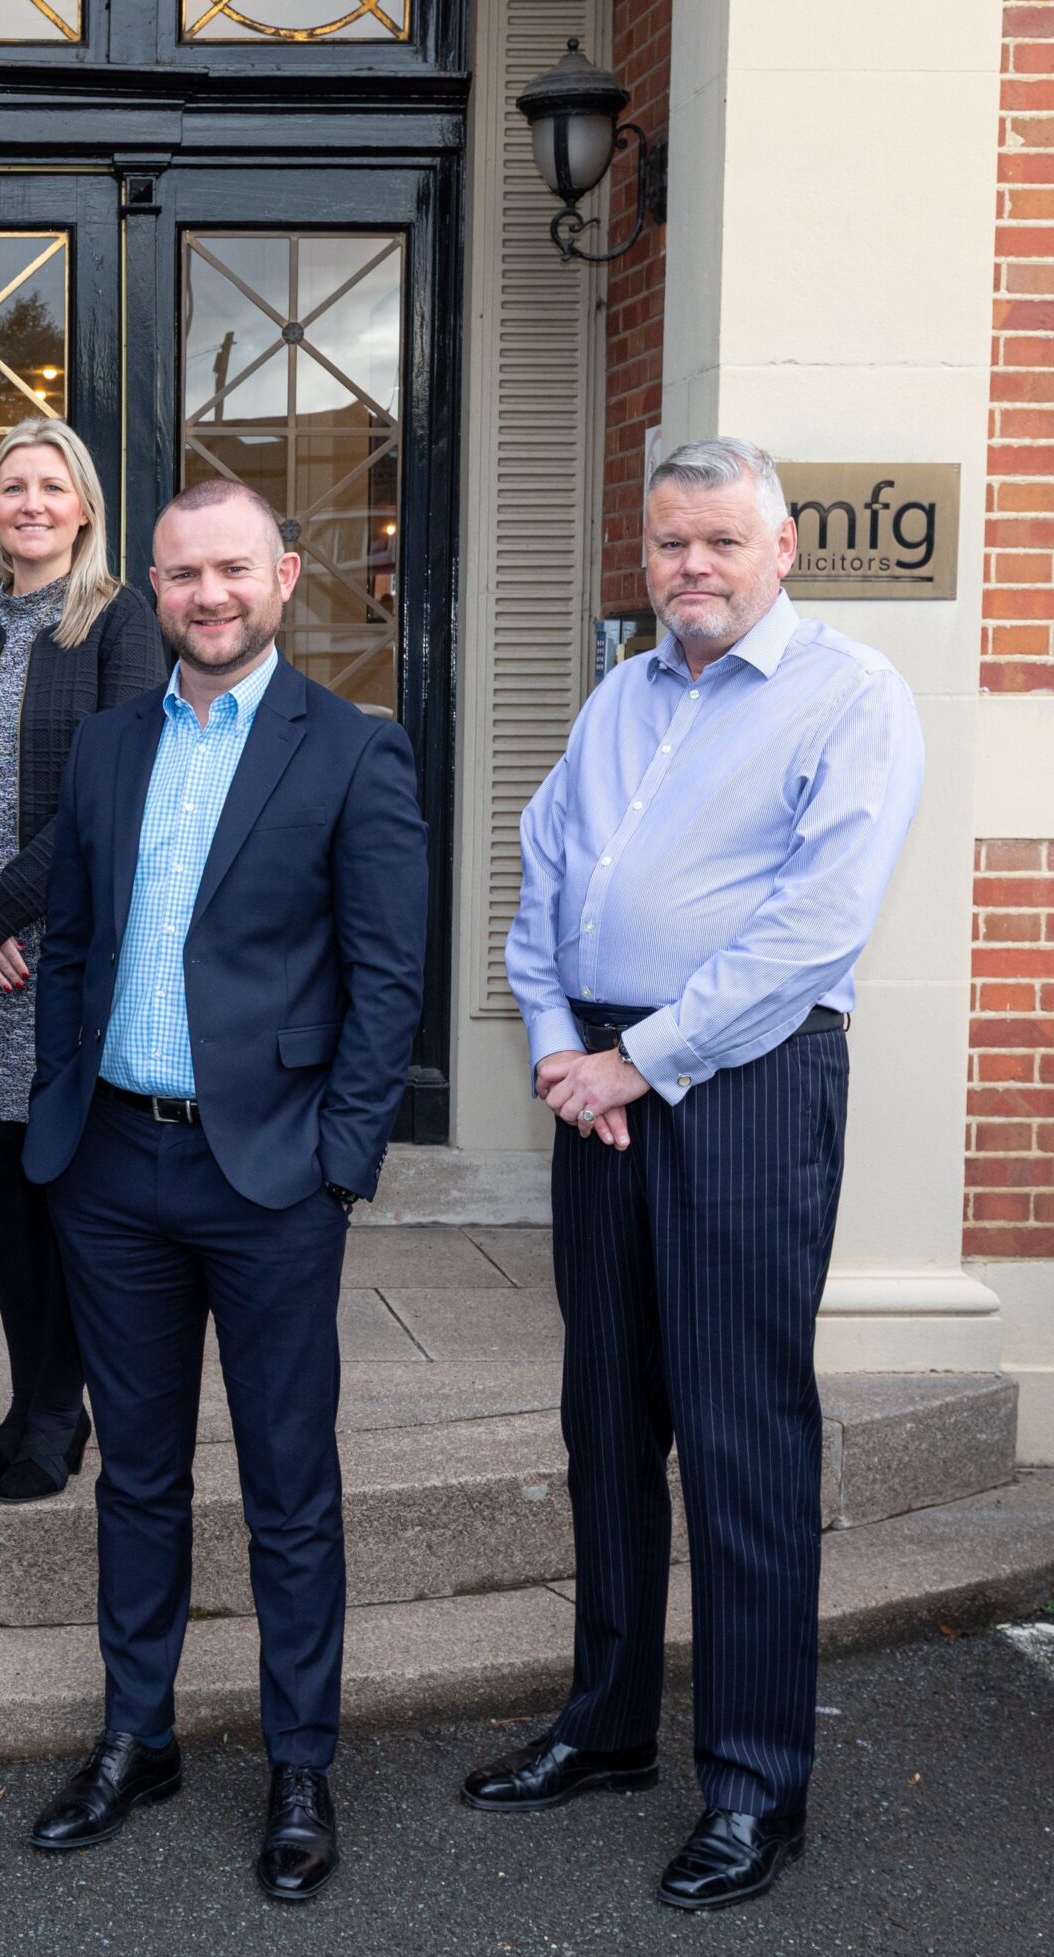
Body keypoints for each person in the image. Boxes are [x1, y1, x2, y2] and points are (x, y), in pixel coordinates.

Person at [471, 438, 923, 1913]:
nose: (693, 567)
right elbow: (545, 876)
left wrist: (639, 1060)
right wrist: (559, 1046)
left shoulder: (852, 695)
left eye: (722, 540)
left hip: (743, 1083)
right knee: (607, 1423)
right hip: (598, 1086)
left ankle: (752, 1784)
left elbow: (811, 931)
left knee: (740, 1442)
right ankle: (607, 1728)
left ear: (782, 547)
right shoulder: (620, 696)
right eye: (671, 543)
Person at [20, 480, 427, 1901]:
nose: (209, 595)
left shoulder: (353, 749)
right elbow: (72, 940)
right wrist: (62, 1098)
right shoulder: (109, 744)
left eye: (233, 570)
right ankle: (137, 1736)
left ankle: (299, 1761)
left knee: (287, 1483)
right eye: (184, 573)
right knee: (137, 1474)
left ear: (284, 577)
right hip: (111, 1166)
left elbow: (388, 978)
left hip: (269, 1177)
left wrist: (339, 1163)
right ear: (152, 586)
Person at [0, 416, 165, 1503]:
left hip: (63, 951)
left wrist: (1, 908)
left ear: (84, 507)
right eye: (13, 487)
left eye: (53, 486)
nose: (32, 504)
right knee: (0, 1187)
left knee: (60, 1186)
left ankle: (61, 1409)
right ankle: (32, 1397)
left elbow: (119, 786)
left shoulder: (120, 621)